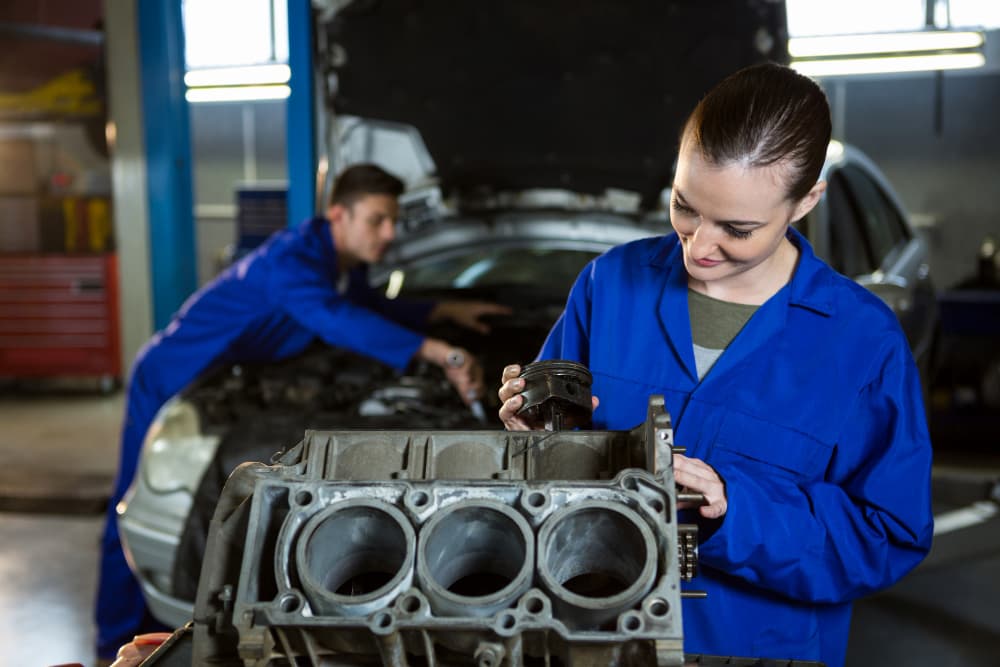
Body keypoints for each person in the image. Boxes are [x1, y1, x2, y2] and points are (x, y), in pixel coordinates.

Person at [498, 63, 932, 667]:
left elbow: (886, 536)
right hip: (589, 635)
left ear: (806, 201)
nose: (699, 247)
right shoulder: (610, 283)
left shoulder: (863, 343)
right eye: (684, 206)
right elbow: (547, 462)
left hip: (754, 649)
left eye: (737, 228)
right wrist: (530, 434)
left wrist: (734, 508)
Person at [95, 163, 510, 660]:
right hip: (176, 375)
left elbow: (366, 307)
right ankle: (113, 638)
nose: (390, 233)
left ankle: (148, 635)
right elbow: (337, 320)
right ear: (339, 214)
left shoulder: (337, 263)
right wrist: (440, 352)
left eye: (392, 221)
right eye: (377, 220)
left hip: (228, 371)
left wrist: (441, 313)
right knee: (128, 499)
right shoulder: (292, 262)